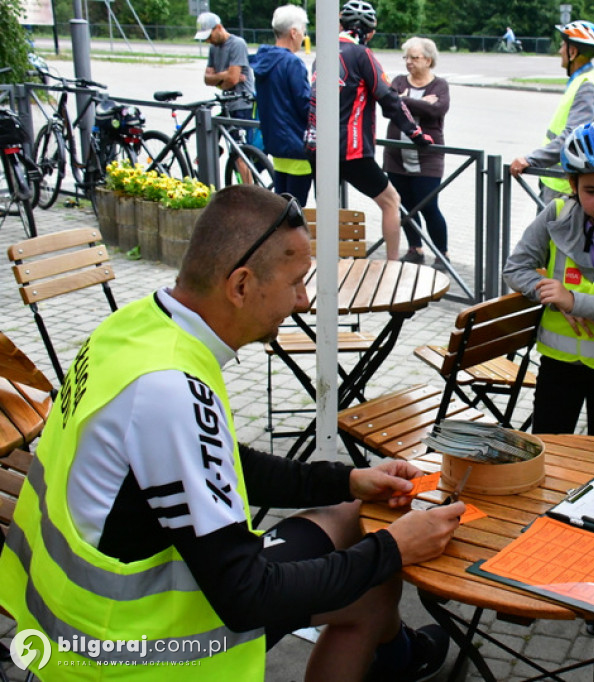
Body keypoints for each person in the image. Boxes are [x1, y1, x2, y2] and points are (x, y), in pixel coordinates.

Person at [0, 186, 463, 681]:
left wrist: (349, 481)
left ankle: (399, 656)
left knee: (348, 515)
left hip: (73, 608)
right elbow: (247, 596)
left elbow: (216, 461)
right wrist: (395, 549)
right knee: (371, 589)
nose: (304, 300)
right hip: (126, 647)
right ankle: (397, 654)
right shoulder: (171, 389)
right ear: (241, 286)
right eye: (296, 282)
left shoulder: (135, 327)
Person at [504, 122, 594, 437]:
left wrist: (574, 302)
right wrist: (550, 296)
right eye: (591, 191)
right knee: (549, 446)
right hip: (558, 365)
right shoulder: (556, 214)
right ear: (573, 184)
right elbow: (516, 268)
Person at [304, 0, 433, 261]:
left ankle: (330, 266)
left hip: (317, 146)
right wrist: (415, 133)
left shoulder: (324, 54)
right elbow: (389, 98)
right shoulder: (362, 54)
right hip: (350, 150)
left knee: (327, 208)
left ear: (341, 24)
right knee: (390, 201)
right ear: (370, 32)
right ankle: (392, 266)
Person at [509, 21, 594, 203]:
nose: (560, 50)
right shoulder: (585, 80)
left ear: (573, 52)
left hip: (562, 187)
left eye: (563, 45)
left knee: (545, 232)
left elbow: (572, 137)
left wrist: (532, 160)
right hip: (558, 182)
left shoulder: (586, 86)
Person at [383, 37, 451, 269]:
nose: (409, 62)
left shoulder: (439, 85)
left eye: (414, 58)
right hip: (396, 157)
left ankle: (442, 254)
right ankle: (415, 249)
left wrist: (403, 100)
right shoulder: (400, 80)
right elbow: (388, 109)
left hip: (427, 158)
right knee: (403, 207)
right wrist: (416, 102)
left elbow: (437, 110)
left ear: (428, 60)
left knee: (429, 207)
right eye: (406, 58)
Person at [251, 5, 313, 205]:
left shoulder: (264, 61)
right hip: (297, 147)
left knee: (281, 210)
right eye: (303, 30)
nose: (304, 35)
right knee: (295, 212)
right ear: (293, 32)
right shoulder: (292, 64)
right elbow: (305, 106)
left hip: (277, 146)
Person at [195, 12, 256, 144]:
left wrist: (219, 79)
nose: (208, 41)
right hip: (227, 104)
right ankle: (212, 159)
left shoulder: (237, 44)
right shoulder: (213, 48)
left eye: (209, 36)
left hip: (242, 105)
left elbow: (233, 79)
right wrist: (224, 76)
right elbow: (207, 79)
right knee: (208, 139)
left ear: (218, 27)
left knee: (241, 150)